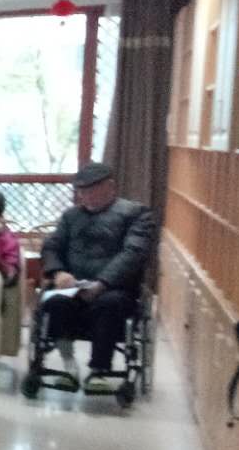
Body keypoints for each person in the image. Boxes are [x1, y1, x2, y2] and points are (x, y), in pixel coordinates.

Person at [38, 162, 154, 393]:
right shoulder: (71, 216)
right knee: (55, 302)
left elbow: (133, 253)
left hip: (114, 288)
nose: (86, 197)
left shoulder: (136, 214)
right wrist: (59, 272)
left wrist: (102, 283)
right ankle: (69, 366)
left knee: (109, 304)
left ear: (110, 186)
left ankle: (100, 369)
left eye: (91, 190)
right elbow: (51, 246)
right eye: (81, 192)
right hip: (73, 285)